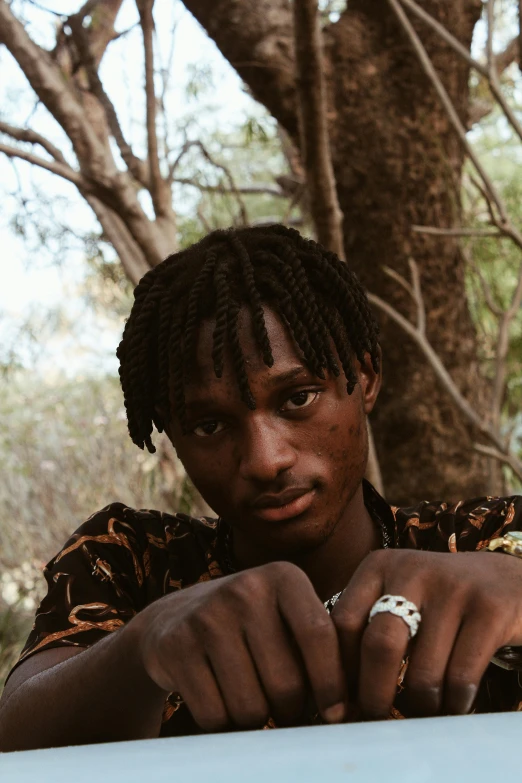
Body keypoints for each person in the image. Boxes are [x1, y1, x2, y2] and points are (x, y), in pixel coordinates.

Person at [1, 224, 522, 753]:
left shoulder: (492, 541)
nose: (265, 460)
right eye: (209, 425)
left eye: (298, 398)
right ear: (172, 435)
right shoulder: (130, 563)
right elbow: (15, 737)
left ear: (364, 378)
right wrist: (141, 648)